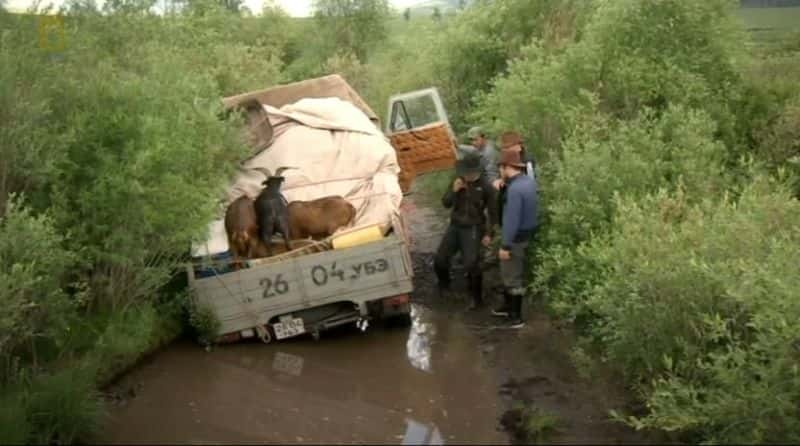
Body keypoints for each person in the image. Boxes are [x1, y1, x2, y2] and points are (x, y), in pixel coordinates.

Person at [434, 152, 498, 310]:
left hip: (474, 227)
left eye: (470, 173)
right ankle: (444, 286)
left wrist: (490, 233)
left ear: (477, 171)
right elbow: (445, 203)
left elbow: (494, 213)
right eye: (465, 173)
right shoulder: (457, 181)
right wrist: (454, 191)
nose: (467, 176)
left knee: (472, 264)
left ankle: (476, 298)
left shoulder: (486, 187)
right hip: (455, 225)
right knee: (440, 259)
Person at [493, 149, 538, 328]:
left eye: (500, 168)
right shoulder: (527, 182)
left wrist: (505, 246)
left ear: (505, 167)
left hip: (516, 239)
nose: (499, 172)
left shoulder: (515, 189)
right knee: (512, 274)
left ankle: (516, 317)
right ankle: (508, 308)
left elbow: (512, 219)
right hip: (527, 234)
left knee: (512, 278)